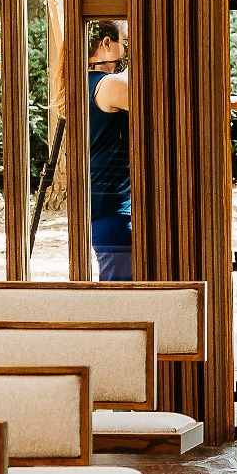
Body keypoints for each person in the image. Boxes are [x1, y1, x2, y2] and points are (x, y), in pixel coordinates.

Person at [88, 20, 131, 281]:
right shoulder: (110, 85)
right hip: (115, 208)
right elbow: (166, 104)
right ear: (107, 43)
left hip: (102, 207)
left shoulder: (82, 82)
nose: (125, 55)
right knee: (120, 303)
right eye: (124, 45)